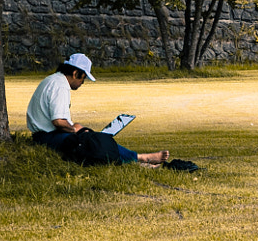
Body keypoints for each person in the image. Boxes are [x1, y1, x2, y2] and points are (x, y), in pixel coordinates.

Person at [25, 52, 171, 165]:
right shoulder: (61, 87)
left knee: (89, 137)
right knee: (93, 142)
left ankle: (133, 159)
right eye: (83, 78)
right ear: (75, 73)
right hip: (48, 137)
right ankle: (141, 158)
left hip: (45, 134)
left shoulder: (52, 80)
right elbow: (58, 121)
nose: (82, 82)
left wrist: (77, 128)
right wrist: (75, 130)